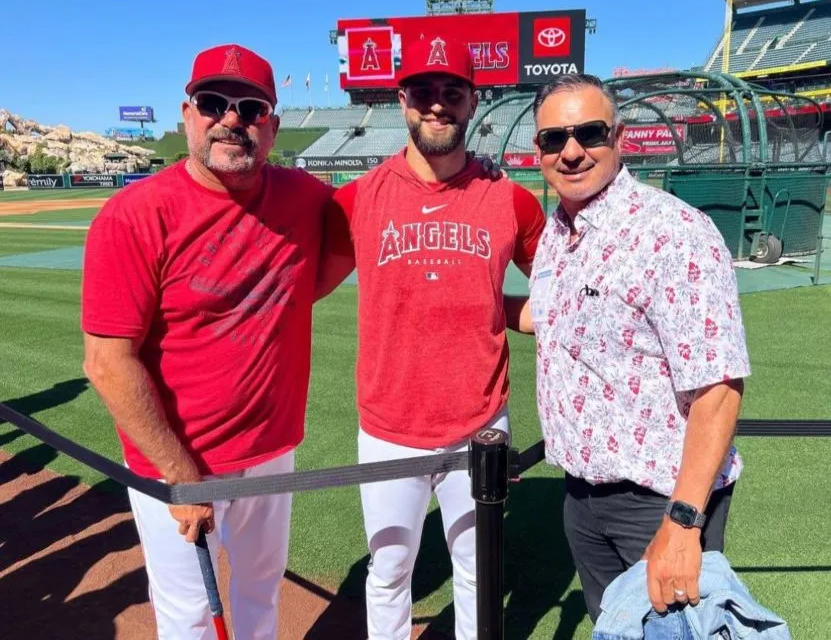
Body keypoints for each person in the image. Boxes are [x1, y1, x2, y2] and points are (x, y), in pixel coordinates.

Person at [81, 43, 334, 639]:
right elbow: (107, 362)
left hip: (272, 449)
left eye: (250, 108)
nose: (231, 119)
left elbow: (338, 255)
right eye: (213, 103)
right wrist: (180, 477)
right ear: (187, 113)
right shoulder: (133, 214)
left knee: (260, 593)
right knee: (190, 617)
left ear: (270, 124)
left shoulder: (304, 197)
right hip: (178, 460)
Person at [316, 36, 546, 640]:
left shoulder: (510, 199)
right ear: (402, 99)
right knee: (390, 571)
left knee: (478, 573)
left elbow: (559, 293)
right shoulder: (358, 199)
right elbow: (302, 287)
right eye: (423, 91)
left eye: (452, 92)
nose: (437, 105)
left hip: (481, 425)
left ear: (474, 101)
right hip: (389, 427)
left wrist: (499, 312)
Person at [525, 74, 751, 622]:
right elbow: (547, 315)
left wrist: (682, 521)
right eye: (554, 138)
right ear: (538, 152)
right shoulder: (559, 231)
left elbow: (719, 387)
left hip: (660, 500)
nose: (572, 151)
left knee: (675, 633)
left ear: (619, 136)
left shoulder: (674, 231)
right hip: (582, 496)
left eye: (589, 132)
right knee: (617, 630)